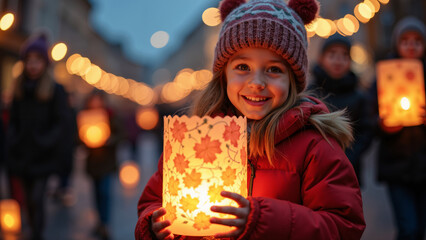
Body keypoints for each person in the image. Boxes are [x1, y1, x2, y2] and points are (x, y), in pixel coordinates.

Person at [135, 0, 366, 239]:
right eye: (243, 66)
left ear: (293, 80)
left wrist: (262, 220)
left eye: (274, 69)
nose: (257, 82)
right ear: (223, 74)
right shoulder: (193, 141)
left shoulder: (315, 146)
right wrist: (153, 225)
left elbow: (343, 225)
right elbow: (153, 200)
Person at [5, 33, 72, 240]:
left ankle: (36, 234)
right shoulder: (18, 89)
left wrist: (46, 141)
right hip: (21, 154)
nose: (33, 66)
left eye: (37, 61)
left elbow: (61, 122)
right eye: (29, 61)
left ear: (44, 63)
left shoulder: (55, 90)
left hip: (43, 155)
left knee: (37, 197)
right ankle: (33, 229)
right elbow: (12, 119)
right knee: (25, 199)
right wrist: (13, 139)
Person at [369, 16, 426, 240]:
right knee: (408, 228)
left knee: (419, 228)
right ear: (396, 44)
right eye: (405, 40)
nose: (411, 46)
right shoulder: (384, 76)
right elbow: (369, 116)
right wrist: (382, 125)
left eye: (417, 41)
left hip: (424, 166)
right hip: (397, 166)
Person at [309, 35, 373, 187]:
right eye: (332, 55)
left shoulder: (358, 97)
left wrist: (351, 155)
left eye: (344, 56)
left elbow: (365, 131)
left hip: (349, 170)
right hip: (315, 170)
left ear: (350, 61)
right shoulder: (311, 94)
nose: (338, 61)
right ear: (321, 58)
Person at [81, 90, 121, 240]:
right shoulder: (84, 116)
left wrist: (111, 139)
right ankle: (99, 222)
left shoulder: (110, 115)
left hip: (107, 162)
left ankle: (105, 224)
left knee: (105, 192)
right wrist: (84, 139)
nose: (96, 103)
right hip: (93, 162)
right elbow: (77, 137)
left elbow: (121, 134)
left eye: (98, 100)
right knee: (96, 194)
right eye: (93, 100)